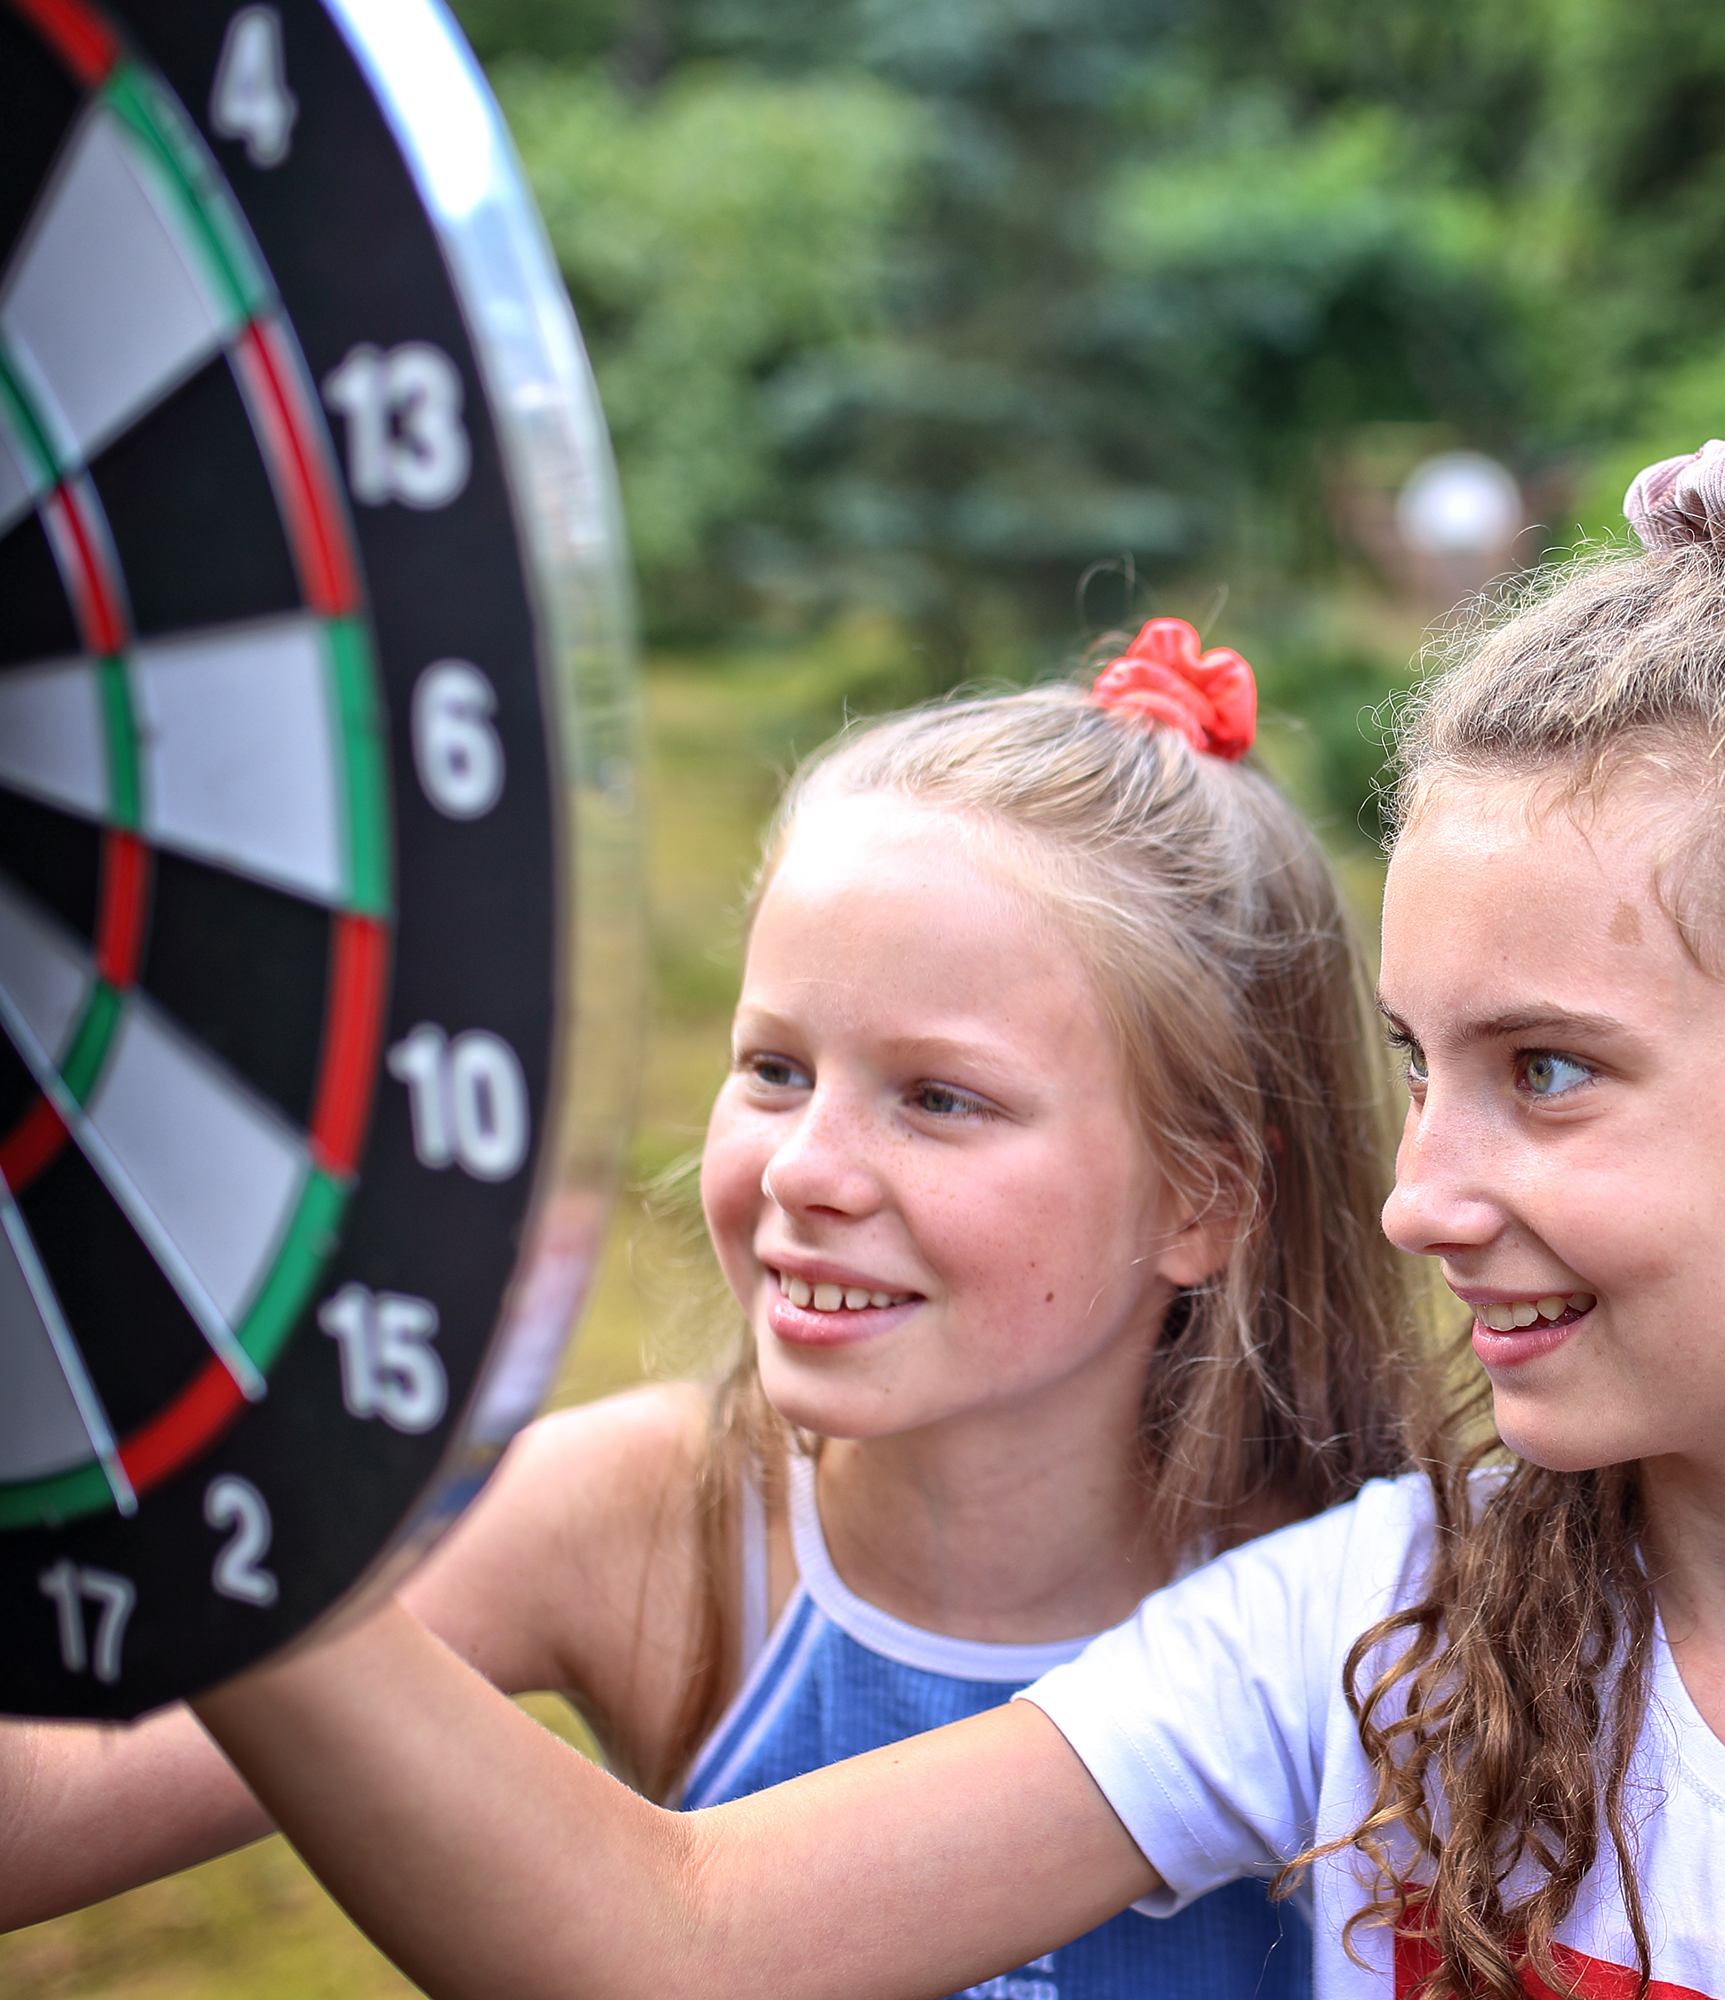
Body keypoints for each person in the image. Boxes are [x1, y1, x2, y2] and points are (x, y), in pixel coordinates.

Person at [173, 426, 1725, 1999]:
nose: (1414, 1195)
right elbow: (677, 1941)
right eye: (1417, 1066)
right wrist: (161, 1405)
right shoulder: (1382, 1631)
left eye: (1548, 1071)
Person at [2, 619, 1414, 1999]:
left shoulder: (1377, 1611)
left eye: (939, 1098)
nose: (806, 1170)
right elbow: (58, 1804)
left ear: (1203, 1201)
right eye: (776, 1070)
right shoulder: (649, 1523)